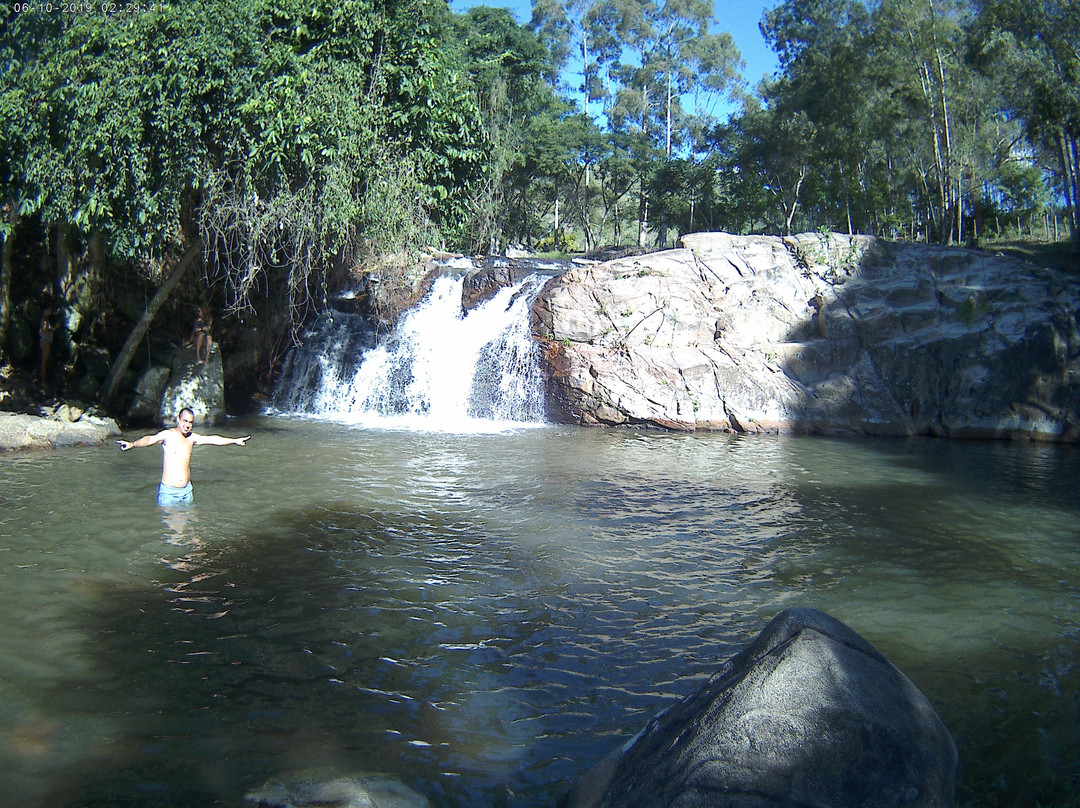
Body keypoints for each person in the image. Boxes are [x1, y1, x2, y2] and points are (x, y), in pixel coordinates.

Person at [117, 407, 250, 506]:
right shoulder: (168, 435)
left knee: (190, 527)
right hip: (169, 492)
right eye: (185, 421)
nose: (187, 425)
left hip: (187, 491)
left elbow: (213, 439)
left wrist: (234, 440)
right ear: (178, 420)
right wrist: (132, 444)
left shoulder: (192, 438)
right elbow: (149, 439)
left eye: (190, 422)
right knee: (171, 532)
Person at [38, 307, 54, 382]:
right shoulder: (44, 320)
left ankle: (43, 379)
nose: (49, 311)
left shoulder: (46, 320)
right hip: (46, 341)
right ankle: (43, 381)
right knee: (44, 362)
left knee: (45, 361)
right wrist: (55, 328)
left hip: (46, 341)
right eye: (47, 310)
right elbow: (45, 330)